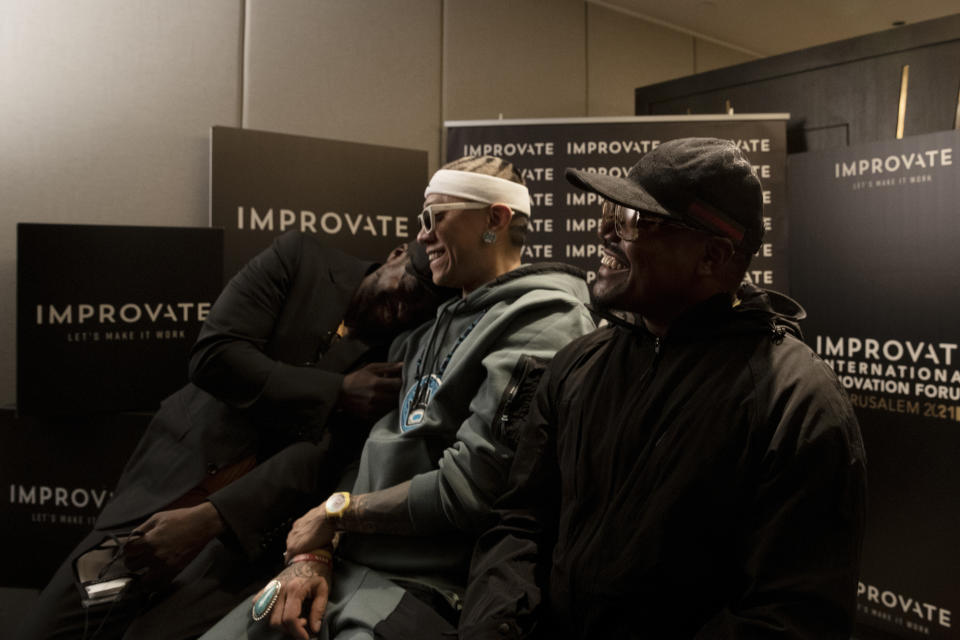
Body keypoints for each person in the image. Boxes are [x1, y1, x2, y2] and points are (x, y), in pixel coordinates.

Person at [458, 138, 868, 639]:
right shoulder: (577, 365)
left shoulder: (797, 405)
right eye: (610, 212)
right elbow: (520, 521)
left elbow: (790, 617)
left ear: (712, 256)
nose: (605, 232)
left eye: (633, 220)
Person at [199, 155, 596, 640]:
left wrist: (336, 514)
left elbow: (471, 490)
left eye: (436, 217)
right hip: (344, 564)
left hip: (424, 586)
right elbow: (369, 452)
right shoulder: (429, 326)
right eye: (420, 221)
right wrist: (314, 552)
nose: (423, 235)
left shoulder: (545, 320)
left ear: (495, 219)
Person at [16, 230, 455, 640]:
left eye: (429, 304)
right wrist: (336, 392)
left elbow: (326, 458)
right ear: (398, 254)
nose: (411, 306)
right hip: (166, 487)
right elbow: (216, 355)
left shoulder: (402, 349)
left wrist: (211, 518)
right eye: (413, 283)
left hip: (244, 536)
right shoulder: (301, 259)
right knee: (50, 626)